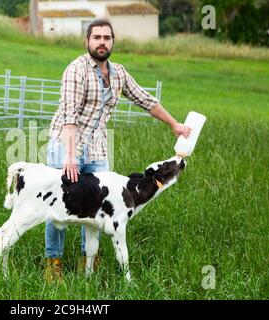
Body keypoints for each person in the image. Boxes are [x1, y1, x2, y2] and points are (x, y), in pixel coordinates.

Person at [44, 19, 191, 282]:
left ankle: (88, 259)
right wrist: (69, 158)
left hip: (98, 149)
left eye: (107, 38)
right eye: (97, 37)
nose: (102, 42)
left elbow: (145, 99)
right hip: (66, 147)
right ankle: (53, 262)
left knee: (99, 206)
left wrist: (174, 124)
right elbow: (69, 116)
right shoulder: (76, 70)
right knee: (59, 207)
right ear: (86, 41)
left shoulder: (118, 73)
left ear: (112, 42)